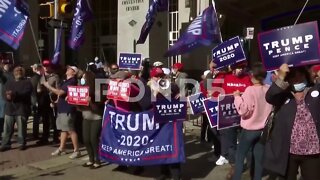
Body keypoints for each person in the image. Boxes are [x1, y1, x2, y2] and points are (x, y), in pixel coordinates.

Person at [264, 63, 320, 180]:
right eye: (293, 76)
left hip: (313, 151)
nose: (297, 79)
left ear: (306, 76)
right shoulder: (283, 95)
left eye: (300, 75)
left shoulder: (315, 90)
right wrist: (281, 76)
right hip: (288, 151)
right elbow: (269, 97)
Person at [232, 63, 272, 180]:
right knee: (259, 159)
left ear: (252, 75)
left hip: (250, 129)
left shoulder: (250, 90)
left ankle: (237, 178)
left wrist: (237, 97)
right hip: (263, 129)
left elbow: (244, 111)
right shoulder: (268, 88)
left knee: (240, 156)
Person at [218, 62, 252, 179]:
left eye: (242, 68)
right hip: (228, 117)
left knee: (246, 142)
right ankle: (234, 166)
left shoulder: (248, 78)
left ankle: (250, 166)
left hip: (244, 116)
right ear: (232, 68)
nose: (240, 70)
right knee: (231, 144)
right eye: (238, 68)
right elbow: (217, 93)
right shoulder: (225, 77)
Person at [149, 67, 182, 180]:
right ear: (152, 77)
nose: (159, 78)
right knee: (161, 147)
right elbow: (147, 104)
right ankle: (164, 172)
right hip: (159, 122)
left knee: (173, 147)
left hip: (172, 122)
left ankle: (175, 175)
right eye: (156, 76)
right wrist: (154, 92)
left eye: (161, 76)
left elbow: (177, 96)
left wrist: (178, 94)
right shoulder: (149, 87)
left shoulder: (170, 85)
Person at [42, 66, 81, 159]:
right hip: (62, 108)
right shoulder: (65, 81)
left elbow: (60, 93)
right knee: (63, 130)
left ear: (74, 72)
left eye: (70, 69)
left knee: (70, 130)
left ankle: (77, 150)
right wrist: (56, 103)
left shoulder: (72, 82)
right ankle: (61, 148)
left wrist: (48, 86)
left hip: (67, 109)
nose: (67, 70)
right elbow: (62, 96)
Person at [0, 66, 33, 151]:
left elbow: (26, 93)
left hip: (21, 109)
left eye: (20, 71)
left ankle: (22, 143)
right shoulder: (9, 82)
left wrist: (14, 94)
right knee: (7, 129)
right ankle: (5, 144)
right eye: (17, 71)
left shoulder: (27, 82)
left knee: (21, 129)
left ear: (23, 73)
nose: (18, 72)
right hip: (9, 109)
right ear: (14, 73)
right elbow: (4, 93)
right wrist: (7, 97)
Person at [78, 71, 104, 169]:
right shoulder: (82, 90)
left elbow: (98, 109)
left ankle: (97, 160)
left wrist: (90, 102)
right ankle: (90, 159)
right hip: (86, 118)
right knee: (86, 139)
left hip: (96, 118)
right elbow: (79, 108)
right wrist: (74, 101)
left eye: (84, 77)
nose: (82, 79)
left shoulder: (97, 91)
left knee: (93, 139)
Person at [36, 60, 60, 145]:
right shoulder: (41, 77)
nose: (45, 68)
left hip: (52, 99)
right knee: (45, 120)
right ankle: (45, 138)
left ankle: (55, 138)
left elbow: (58, 90)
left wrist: (56, 101)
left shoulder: (55, 76)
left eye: (47, 66)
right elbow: (38, 89)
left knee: (53, 120)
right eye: (44, 66)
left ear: (50, 67)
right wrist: (40, 88)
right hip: (44, 99)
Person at [30, 64, 43, 139]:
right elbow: (36, 90)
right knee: (36, 117)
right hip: (36, 99)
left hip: (36, 99)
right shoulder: (36, 77)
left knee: (37, 117)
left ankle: (35, 134)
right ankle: (35, 134)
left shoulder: (35, 77)